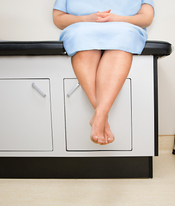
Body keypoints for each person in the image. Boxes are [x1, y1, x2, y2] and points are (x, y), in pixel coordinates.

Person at [53, 0, 154, 145]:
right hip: (81, 29)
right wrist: (88, 18)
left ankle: (98, 116)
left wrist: (117, 19)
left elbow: (146, 18)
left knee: (123, 39)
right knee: (82, 38)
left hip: (124, 29)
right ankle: (102, 119)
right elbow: (58, 18)